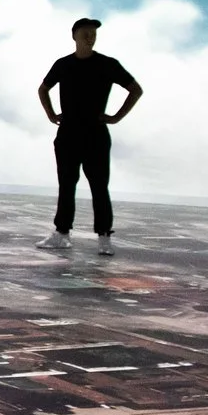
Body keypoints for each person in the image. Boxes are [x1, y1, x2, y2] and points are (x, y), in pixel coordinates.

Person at [36, 17, 141, 257]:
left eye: (93, 33)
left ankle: (104, 238)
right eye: (85, 32)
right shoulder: (63, 65)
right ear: (74, 35)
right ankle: (62, 234)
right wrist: (51, 114)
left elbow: (136, 90)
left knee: (99, 187)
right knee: (66, 185)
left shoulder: (108, 64)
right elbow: (43, 89)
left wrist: (116, 117)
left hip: (95, 135)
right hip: (68, 134)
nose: (90, 37)